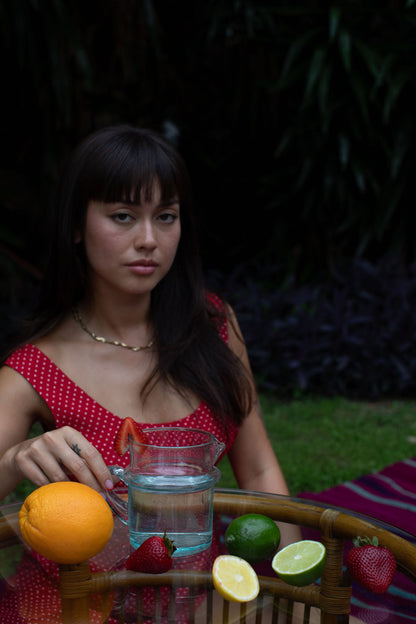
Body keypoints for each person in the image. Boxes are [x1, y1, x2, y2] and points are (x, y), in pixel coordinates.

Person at [0, 124, 292, 506]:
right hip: (85, 549)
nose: (149, 240)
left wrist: (291, 547)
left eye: (166, 216)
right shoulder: (37, 369)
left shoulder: (212, 324)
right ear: (75, 226)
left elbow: (259, 472)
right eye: (123, 216)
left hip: (204, 549)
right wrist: (14, 459)